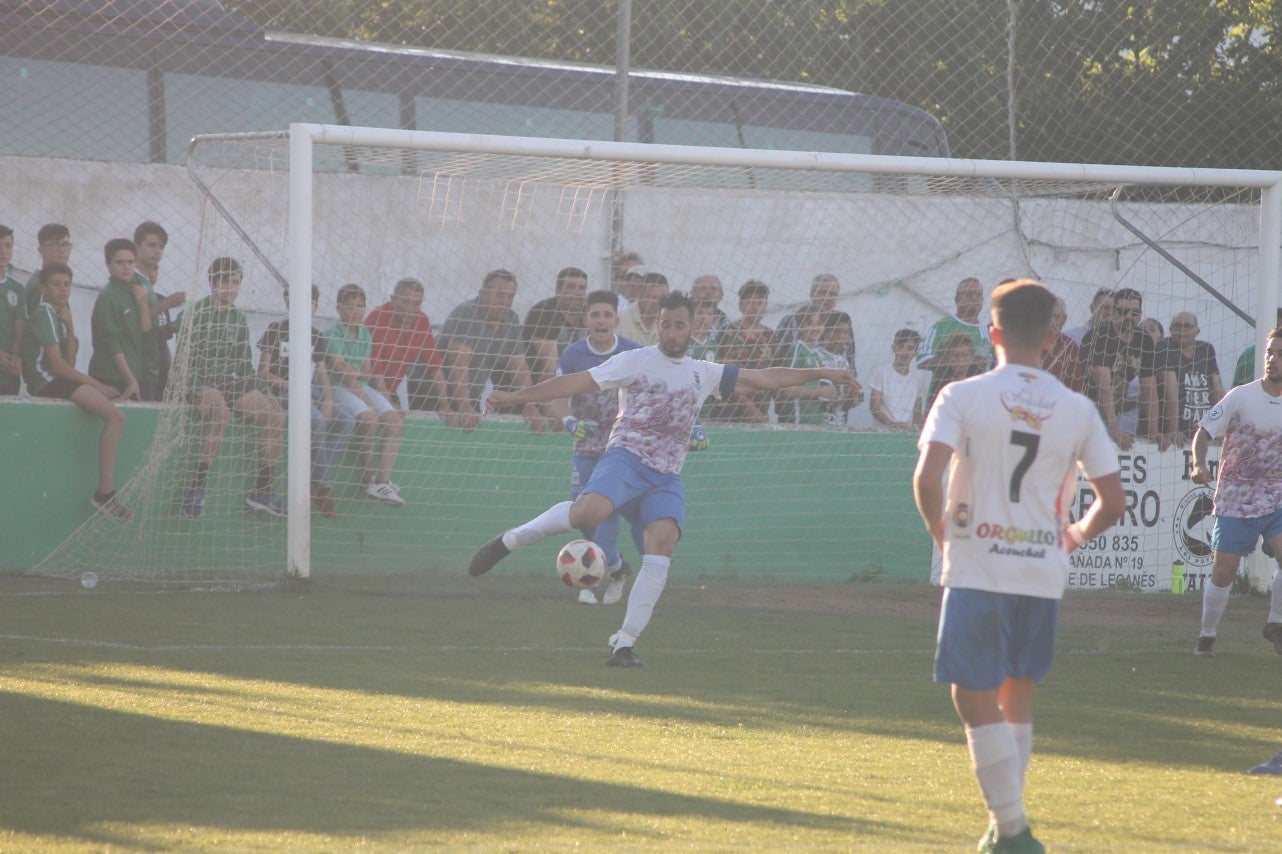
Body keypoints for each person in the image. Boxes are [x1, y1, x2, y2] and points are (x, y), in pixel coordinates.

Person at [467, 291, 859, 668]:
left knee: (662, 545)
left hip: (665, 477)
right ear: (658, 325)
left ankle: (624, 645)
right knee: (589, 513)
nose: (671, 332)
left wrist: (821, 373)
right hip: (625, 459)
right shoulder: (635, 361)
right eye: (665, 325)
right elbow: (574, 382)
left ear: (692, 328)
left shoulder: (703, 372)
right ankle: (510, 540)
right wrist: (514, 397)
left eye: (679, 326)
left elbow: (763, 378)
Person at [913, 278, 1124, 853]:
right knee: (1016, 696)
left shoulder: (961, 394)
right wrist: (1071, 538)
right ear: (1052, 336)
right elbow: (1113, 503)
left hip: (978, 563)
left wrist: (942, 534)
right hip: (1040, 568)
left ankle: (1011, 829)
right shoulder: (1077, 408)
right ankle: (1004, 825)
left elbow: (927, 479)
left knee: (971, 696)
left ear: (993, 333)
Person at [1190, 326, 1282, 659]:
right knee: (1224, 572)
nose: (1272, 359)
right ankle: (1207, 635)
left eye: (1280, 354)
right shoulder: (1241, 396)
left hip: (1276, 498)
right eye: (1270, 352)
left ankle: (1275, 622)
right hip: (1235, 499)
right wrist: (1198, 464)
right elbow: (1203, 432)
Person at [548, 290, 643, 605]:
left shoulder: (634, 352)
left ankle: (589, 582)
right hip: (585, 446)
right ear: (586, 319)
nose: (601, 321)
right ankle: (616, 567)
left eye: (607, 315)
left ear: (616, 320)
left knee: (607, 509)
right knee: (582, 515)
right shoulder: (573, 354)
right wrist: (569, 421)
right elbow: (557, 395)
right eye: (595, 315)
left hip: (621, 448)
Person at [174, 257, 286, 518]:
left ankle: (262, 490)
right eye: (226, 282)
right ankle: (196, 488)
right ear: (212, 282)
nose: (231, 289)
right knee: (221, 414)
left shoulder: (238, 319)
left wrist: (265, 391)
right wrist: (198, 389)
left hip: (227, 380)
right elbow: (181, 363)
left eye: (236, 283)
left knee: (276, 416)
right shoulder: (192, 314)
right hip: (199, 379)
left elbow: (244, 366)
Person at [20, 262, 132, 519]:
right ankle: (105, 492)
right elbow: (58, 367)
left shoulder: (58, 316)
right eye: (56, 284)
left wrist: (70, 328)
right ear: (44, 288)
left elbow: (68, 363)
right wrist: (96, 384)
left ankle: (105, 492)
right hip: (45, 382)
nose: (63, 289)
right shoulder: (44, 313)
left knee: (115, 415)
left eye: (67, 284)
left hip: (56, 380)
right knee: (114, 416)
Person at [258, 284, 356, 519]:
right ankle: (324, 486)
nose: (304, 307)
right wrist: (291, 387)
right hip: (282, 392)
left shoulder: (316, 336)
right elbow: (262, 372)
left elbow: (322, 374)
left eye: (310, 303)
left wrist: (328, 399)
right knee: (317, 420)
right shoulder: (275, 330)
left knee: (347, 420)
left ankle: (315, 478)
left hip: (308, 392)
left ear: (315, 306)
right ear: (288, 304)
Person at [324, 283, 406, 506]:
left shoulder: (365, 334)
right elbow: (341, 371)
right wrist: (365, 396)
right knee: (370, 419)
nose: (356, 312)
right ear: (339, 308)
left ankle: (383, 481)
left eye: (360, 306)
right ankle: (369, 477)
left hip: (359, 384)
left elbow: (366, 371)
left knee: (394, 421)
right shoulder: (332, 333)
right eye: (350, 307)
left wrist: (363, 382)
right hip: (336, 386)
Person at [439, 268, 547, 432]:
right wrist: (465, 407)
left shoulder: (510, 319)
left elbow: (519, 368)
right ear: (483, 293)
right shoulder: (466, 315)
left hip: (470, 395)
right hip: (435, 394)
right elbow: (458, 364)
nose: (505, 302)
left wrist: (531, 407)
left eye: (510, 296)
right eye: (499, 295)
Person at [1080, 287, 1158, 450]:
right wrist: (1115, 432)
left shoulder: (1144, 340)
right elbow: (1103, 389)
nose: (1129, 317)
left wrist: (1154, 431)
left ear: (1140, 315)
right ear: (1114, 312)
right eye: (1123, 312)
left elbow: (1149, 388)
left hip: (1116, 412)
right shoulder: (1099, 337)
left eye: (1134, 313)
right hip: (1085, 412)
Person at [87, 238, 155, 401]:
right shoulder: (108, 296)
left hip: (137, 373)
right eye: (120, 262)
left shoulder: (139, 288)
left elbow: (147, 332)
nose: (126, 267)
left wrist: (144, 306)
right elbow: (112, 343)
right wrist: (130, 380)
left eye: (130, 262)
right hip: (111, 376)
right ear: (108, 264)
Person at [365, 277, 445, 412]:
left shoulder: (422, 321)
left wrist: (445, 405)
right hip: (365, 388)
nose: (410, 309)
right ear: (393, 299)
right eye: (406, 302)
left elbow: (435, 365)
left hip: (389, 390)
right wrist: (390, 405)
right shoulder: (377, 317)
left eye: (416, 304)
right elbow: (374, 368)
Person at [1157, 311, 1224, 452]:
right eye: (1177, 325)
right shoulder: (1164, 347)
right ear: (1170, 329)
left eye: (1187, 326)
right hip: (1178, 434)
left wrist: (1221, 428)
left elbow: (1217, 391)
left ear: (1196, 331)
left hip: (1205, 432)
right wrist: (1173, 430)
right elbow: (1170, 391)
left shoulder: (1206, 349)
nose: (1181, 330)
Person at [133, 221, 184, 399]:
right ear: (137, 247)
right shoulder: (130, 283)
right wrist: (167, 303)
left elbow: (159, 338)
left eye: (161, 247)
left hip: (157, 371)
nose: (157, 251)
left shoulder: (154, 294)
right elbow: (135, 324)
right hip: (137, 371)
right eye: (151, 245)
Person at [915, 277, 994, 394]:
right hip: (942, 396)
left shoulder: (987, 332)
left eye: (978, 294)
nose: (973, 297)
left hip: (975, 398)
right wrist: (959, 361)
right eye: (968, 294)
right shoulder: (942, 326)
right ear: (957, 299)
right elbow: (922, 360)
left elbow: (988, 365)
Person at [713, 280, 777, 422]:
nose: (755, 307)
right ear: (740, 305)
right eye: (750, 303)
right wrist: (748, 408)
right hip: (731, 408)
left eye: (760, 303)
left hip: (761, 407)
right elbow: (726, 374)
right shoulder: (729, 333)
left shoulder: (770, 335)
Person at [13, 224, 74, 356]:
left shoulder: (58, 278)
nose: (61, 250)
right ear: (41, 250)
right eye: (54, 244)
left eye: (65, 244)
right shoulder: (39, 284)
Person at [776, 305, 842, 425]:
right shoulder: (798, 350)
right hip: (799, 423)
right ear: (800, 327)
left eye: (819, 323)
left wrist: (828, 396)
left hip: (816, 422)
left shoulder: (815, 354)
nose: (815, 328)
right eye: (810, 323)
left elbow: (813, 388)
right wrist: (820, 392)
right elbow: (787, 391)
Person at [522, 266, 588, 386]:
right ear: (558, 291)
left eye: (582, 288)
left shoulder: (588, 312)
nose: (578, 293)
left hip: (575, 382)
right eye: (571, 287)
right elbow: (550, 369)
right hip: (538, 386)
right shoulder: (544, 312)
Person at [775, 273, 852, 365]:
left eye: (832, 294)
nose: (827, 298)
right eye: (822, 293)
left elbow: (850, 364)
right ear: (812, 294)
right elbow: (778, 357)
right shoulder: (791, 320)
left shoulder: (843, 323)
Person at [869, 328, 930, 430]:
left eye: (910, 348)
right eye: (901, 347)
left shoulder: (918, 378)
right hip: (883, 432)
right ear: (893, 348)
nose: (904, 352)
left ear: (916, 352)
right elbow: (874, 408)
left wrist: (926, 428)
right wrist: (893, 425)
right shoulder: (882, 373)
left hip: (905, 433)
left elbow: (917, 412)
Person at [1040, 296, 1084, 393]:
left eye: (1057, 317)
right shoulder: (1028, 343)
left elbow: (1076, 386)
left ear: (1064, 320)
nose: (1052, 322)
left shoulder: (1070, 346)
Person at [616, 269, 667, 346]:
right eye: (651, 298)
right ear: (639, 296)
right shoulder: (621, 321)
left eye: (662, 298)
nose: (657, 303)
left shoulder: (669, 321)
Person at [0, 225, 22, 395]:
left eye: (8, 246)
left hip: (8, 373)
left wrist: (15, 356)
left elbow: (20, 329)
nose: (3, 251)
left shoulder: (17, 288)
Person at [690, 273, 729, 340]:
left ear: (721, 295)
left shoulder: (729, 325)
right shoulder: (683, 319)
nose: (708, 292)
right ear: (692, 293)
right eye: (703, 288)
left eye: (713, 288)